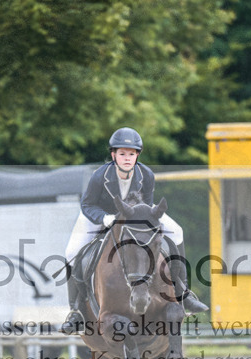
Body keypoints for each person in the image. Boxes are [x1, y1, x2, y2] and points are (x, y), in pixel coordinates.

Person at [61, 127, 208, 334]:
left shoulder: (146, 174)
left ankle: (183, 292)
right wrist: (105, 218)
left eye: (131, 154)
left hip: (134, 216)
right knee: (71, 252)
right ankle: (76, 310)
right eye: (122, 154)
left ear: (137, 155)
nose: (127, 158)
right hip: (99, 214)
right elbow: (87, 205)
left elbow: (145, 206)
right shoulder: (99, 176)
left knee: (177, 231)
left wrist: (141, 222)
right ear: (114, 155)